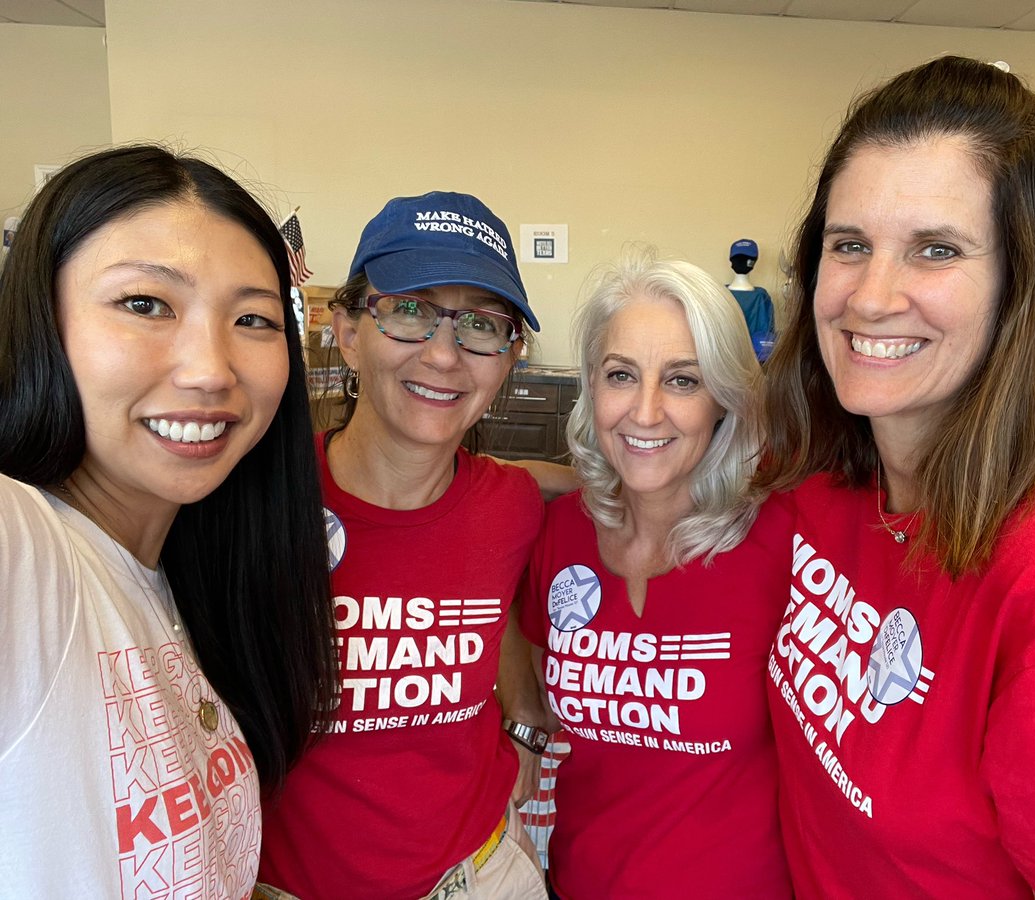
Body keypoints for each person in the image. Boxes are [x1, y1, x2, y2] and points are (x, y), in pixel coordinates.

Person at [756, 55, 1035, 897]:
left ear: (1022, 286)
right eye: (849, 245)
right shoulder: (828, 469)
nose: (871, 297)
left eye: (935, 249)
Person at [0, 145, 338, 895]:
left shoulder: (180, 580)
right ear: (38, 321)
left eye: (252, 318)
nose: (211, 369)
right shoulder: (27, 554)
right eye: (146, 304)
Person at [258, 191, 549, 899]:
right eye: (412, 309)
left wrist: (526, 721)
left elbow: (498, 598)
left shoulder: (511, 503)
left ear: (509, 356)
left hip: (478, 876)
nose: (445, 354)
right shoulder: (261, 503)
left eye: (483, 324)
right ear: (349, 331)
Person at [519, 250, 793, 899]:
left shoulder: (782, 541)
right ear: (593, 384)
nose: (644, 412)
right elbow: (526, 649)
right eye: (621, 375)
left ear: (724, 400)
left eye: (682, 380)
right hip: (579, 881)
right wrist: (526, 725)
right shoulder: (563, 534)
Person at [726, 237, 775, 360]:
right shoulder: (719, 294)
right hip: (725, 358)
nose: (741, 262)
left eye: (746, 259)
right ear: (731, 260)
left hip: (754, 359)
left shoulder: (761, 297)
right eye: (738, 259)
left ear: (753, 261)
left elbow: (766, 334)